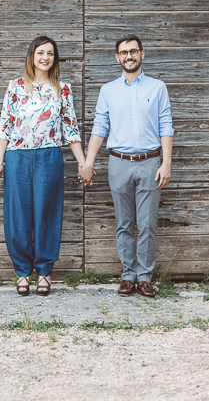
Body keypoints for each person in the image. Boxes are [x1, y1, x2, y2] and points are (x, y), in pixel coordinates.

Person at [79, 34, 174, 298]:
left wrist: (166, 163)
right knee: (123, 222)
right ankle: (127, 276)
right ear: (117, 57)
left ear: (142, 54)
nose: (129, 56)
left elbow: (166, 126)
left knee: (147, 224)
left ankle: (144, 277)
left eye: (133, 51)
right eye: (124, 52)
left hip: (150, 162)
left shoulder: (157, 87)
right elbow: (99, 128)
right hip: (118, 163)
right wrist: (88, 162)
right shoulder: (108, 90)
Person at [0, 35, 85, 296]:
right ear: (32, 55)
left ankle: (44, 272)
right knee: (17, 214)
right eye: (41, 52)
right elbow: (5, 126)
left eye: (51, 54)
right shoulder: (15, 87)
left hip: (49, 157)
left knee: (47, 213)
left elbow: (71, 129)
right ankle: (22, 272)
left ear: (55, 59)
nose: (45, 57)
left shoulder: (62, 89)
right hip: (17, 157)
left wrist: (83, 163)